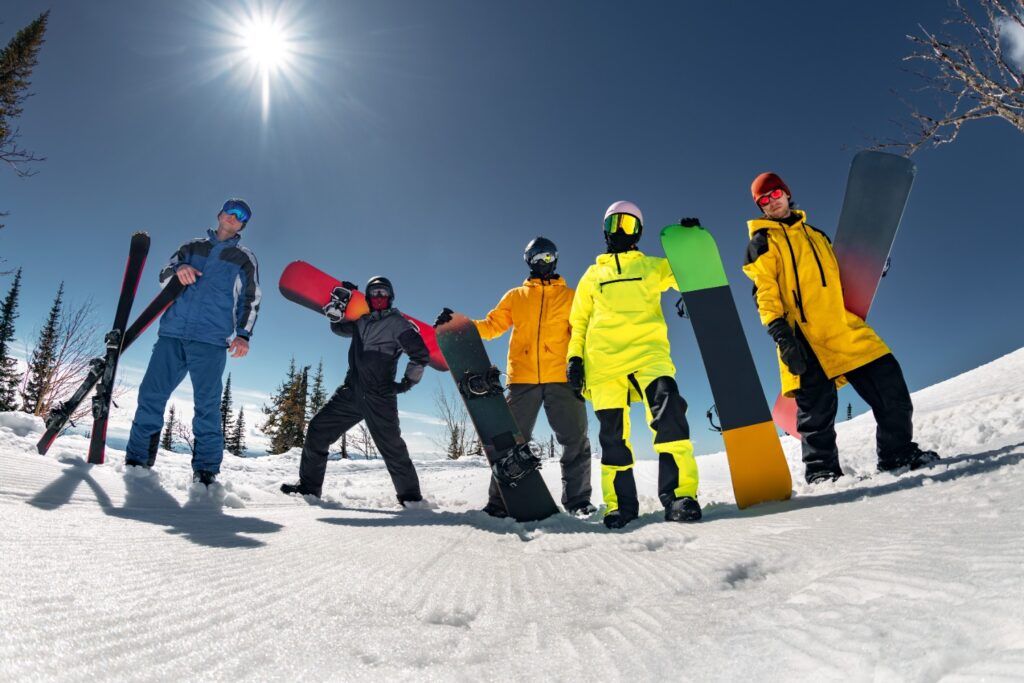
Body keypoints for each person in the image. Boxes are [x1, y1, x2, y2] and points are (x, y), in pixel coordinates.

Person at [742, 172, 939, 484]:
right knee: (816, 412)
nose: (771, 201)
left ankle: (896, 453)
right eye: (763, 200)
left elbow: (838, 275)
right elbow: (764, 292)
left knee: (890, 383)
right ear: (760, 207)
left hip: (842, 326)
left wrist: (872, 269)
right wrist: (781, 335)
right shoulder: (762, 242)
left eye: (775, 193)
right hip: (802, 335)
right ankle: (821, 472)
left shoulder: (817, 235)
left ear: (787, 193)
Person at [434, 237, 596, 518]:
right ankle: (500, 502)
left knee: (575, 439)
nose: (542, 262)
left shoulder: (571, 297)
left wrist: (582, 368)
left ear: (555, 259)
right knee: (507, 441)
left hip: (561, 377)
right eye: (536, 257)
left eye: (547, 256)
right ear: (527, 260)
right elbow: (493, 326)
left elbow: (584, 334)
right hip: (523, 379)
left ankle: (578, 501)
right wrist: (462, 326)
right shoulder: (515, 296)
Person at [566, 201, 701, 529]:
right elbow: (579, 320)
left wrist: (690, 242)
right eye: (614, 225)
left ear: (638, 231)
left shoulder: (652, 267)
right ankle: (620, 506)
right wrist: (574, 358)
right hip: (604, 363)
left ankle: (680, 496)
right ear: (605, 230)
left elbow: (687, 275)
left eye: (628, 225)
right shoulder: (593, 274)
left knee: (670, 415)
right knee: (612, 437)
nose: (620, 232)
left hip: (648, 354)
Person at [125, 198, 260, 486]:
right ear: (220, 214)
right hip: (172, 334)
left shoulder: (244, 258)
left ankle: (206, 471)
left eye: (241, 216)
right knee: (151, 395)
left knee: (208, 405)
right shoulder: (192, 247)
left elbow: (251, 298)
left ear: (243, 224)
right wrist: (177, 272)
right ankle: (138, 461)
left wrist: (243, 334)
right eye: (230, 211)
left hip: (211, 341)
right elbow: (164, 275)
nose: (234, 217)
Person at [281, 276, 430, 506]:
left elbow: (420, 354)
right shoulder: (362, 321)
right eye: (374, 293)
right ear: (368, 298)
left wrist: (406, 383)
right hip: (351, 391)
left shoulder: (398, 323)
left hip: (379, 397)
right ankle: (309, 488)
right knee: (318, 429)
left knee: (392, 448)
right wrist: (343, 302)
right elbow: (338, 328)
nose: (378, 297)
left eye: (383, 292)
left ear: (390, 297)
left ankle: (411, 500)